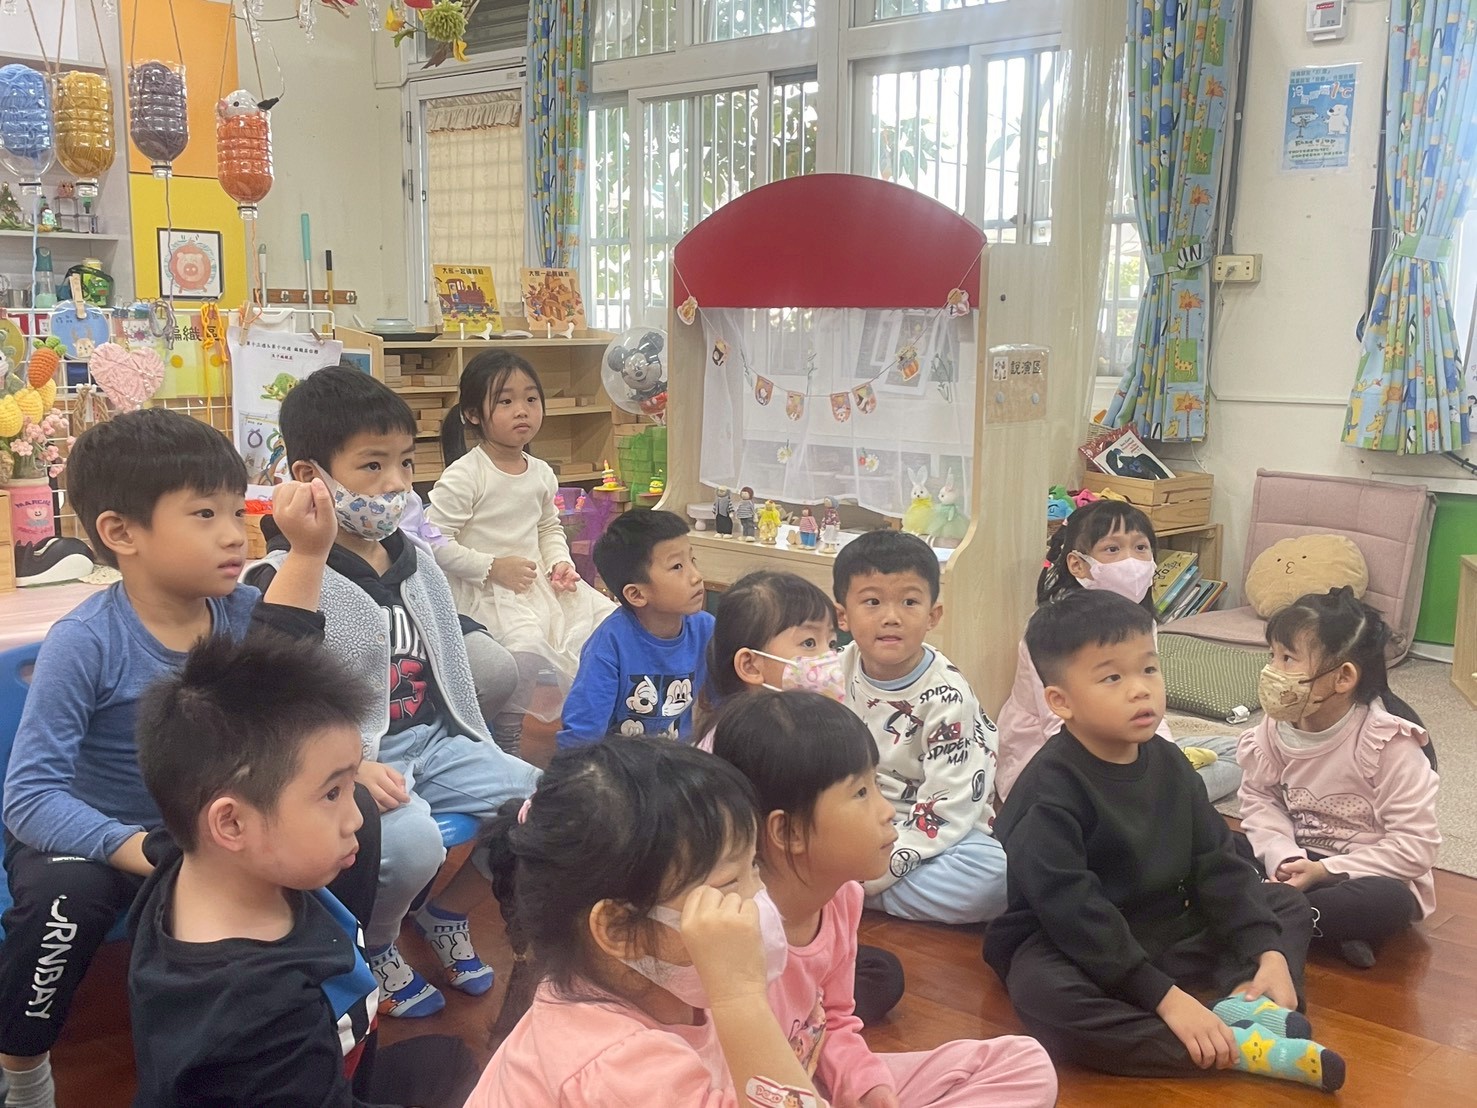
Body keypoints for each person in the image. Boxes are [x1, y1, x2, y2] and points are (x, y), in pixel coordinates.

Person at [0, 408, 339, 1108]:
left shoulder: (243, 612)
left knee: (341, 823)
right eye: (204, 514)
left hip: (211, 829)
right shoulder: (87, 641)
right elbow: (30, 797)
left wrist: (345, 772)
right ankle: (23, 1070)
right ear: (122, 533)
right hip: (96, 839)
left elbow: (291, 715)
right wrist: (141, 847)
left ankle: (327, 1000)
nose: (234, 533)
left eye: (236, 509)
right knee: (65, 900)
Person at [254, 366, 541, 1019]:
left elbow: (445, 655)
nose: (395, 484)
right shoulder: (287, 575)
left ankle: (445, 914)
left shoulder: (413, 558)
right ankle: (377, 944)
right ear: (311, 476)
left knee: (545, 806)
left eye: (406, 463)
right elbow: (281, 699)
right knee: (410, 845)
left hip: (437, 740)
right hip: (356, 759)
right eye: (372, 465)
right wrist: (348, 764)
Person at [985, 590, 1345, 1092]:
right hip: (1073, 943)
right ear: (1061, 702)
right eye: (1112, 677)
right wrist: (1165, 998)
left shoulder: (1170, 761)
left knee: (1281, 905)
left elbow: (1217, 862)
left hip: (1168, 925)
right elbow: (1073, 912)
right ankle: (1231, 1048)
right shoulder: (1046, 792)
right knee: (1045, 996)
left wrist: (1268, 953)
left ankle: (1250, 1001)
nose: (1141, 690)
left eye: (1149, 669)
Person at [128, 634, 480, 1108]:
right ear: (231, 824)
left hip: (339, 1062)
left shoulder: (198, 857)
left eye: (352, 782)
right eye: (332, 793)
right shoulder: (259, 1018)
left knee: (450, 1062)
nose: (356, 817)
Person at [711, 690, 1059, 1108]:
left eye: (877, 784)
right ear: (788, 832)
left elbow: (832, 1022)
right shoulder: (733, 930)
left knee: (1026, 1063)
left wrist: (866, 1085)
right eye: (860, 793)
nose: (888, 810)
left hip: (814, 1078)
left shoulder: (842, 898)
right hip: (759, 1097)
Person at [463, 737, 826, 1107]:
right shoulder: (615, 1067)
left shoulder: (669, 982)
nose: (756, 901)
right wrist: (741, 998)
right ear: (619, 930)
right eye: (729, 884)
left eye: (754, 865)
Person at [696, 570, 905, 1029]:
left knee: (878, 972)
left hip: (800, 899)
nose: (827, 659)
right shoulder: (722, 752)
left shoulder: (812, 724)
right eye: (809, 644)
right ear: (751, 666)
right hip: (751, 911)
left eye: (831, 643)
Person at [1237, 587, 1440, 969]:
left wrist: (1323, 871)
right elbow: (1259, 799)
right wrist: (1283, 856)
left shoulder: (1388, 743)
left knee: (1389, 902)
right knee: (1217, 845)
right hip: (1296, 859)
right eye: (1271, 656)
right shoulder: (1275, 728)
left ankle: (1263, 916)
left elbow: (1414, 848)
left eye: (1288, 659)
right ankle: (1313, 924)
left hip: (1363, 873)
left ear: (1343, 677)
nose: (1272, 671)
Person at [994, 499, 1243, 805]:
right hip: (1055, 768)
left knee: (1243, 753)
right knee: (1179, 786)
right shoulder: (1056, 630)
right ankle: (1153, 801)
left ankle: (1158, 798)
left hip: (1126, 744)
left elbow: (1150, 703)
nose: (1131, 560)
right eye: (1112, 549)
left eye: (1141, 548)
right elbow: (1060, 727)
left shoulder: (1142, 622)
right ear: (1078, 564)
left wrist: (1162, 760)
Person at [426, 352, 617, 739]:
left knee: (607, 621)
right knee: (524, 648)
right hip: (485, 591)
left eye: (531, 399)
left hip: (534, 584)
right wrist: (492, 567)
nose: (522, 410)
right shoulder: (466, 475)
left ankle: (599, 726)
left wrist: (559, 563)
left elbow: (548, 527)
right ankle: (508, 735)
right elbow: (432, 540)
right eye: (505, 401)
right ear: (473, 414)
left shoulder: (541, 472)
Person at [832, 529, 1005, 926]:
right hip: (855, 816)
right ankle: (839, 881)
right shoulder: (833, 670)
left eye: (909, 602)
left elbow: (947, 809)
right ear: (843, 616)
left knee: (993, 879)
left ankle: (843, 891)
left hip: (928, 825)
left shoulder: (948, 698)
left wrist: (873, 875)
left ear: (933, 616)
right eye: (872, 602)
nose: (891, 616)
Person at [556, 510, 714, 746]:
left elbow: (726, 704)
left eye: (693, 561)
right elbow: (581, 735)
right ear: (636, 594)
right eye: (677, 566)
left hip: (676, 760)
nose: (696, 577)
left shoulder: (706, 629)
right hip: (618, 763)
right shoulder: (609, 645)